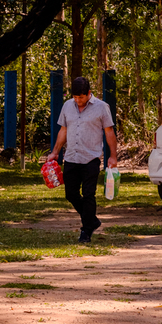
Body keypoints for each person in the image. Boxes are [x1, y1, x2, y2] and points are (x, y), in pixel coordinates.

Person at [46, 76, 117, 243]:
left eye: (81, 97)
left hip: (91, 158)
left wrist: (113, 156)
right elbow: (63, 130)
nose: (78, 100)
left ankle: (86, 231)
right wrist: (55, 152)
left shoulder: (101, 108)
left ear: (89, 93)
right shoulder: (67, 106)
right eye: (75, 97)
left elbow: (109, 133)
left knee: (88, 194)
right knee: (71, 194)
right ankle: (92, 220)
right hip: (71, 157)